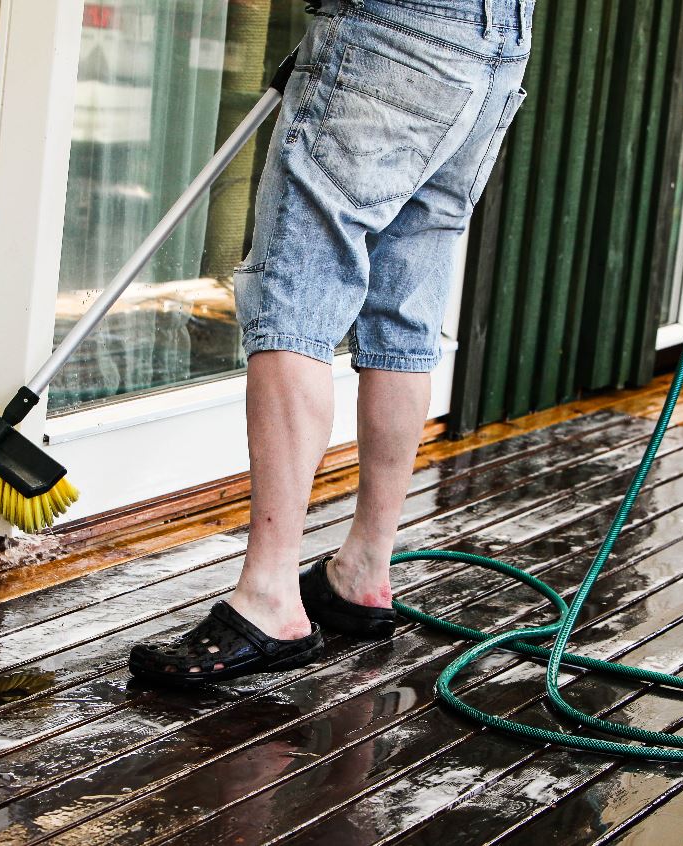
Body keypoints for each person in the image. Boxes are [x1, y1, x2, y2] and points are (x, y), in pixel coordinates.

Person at [128, 0, 535, 684]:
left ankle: (268, 599)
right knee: (403, 310)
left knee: (296, 296)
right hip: (497, 39)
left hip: (395, 27)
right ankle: (364, 572)